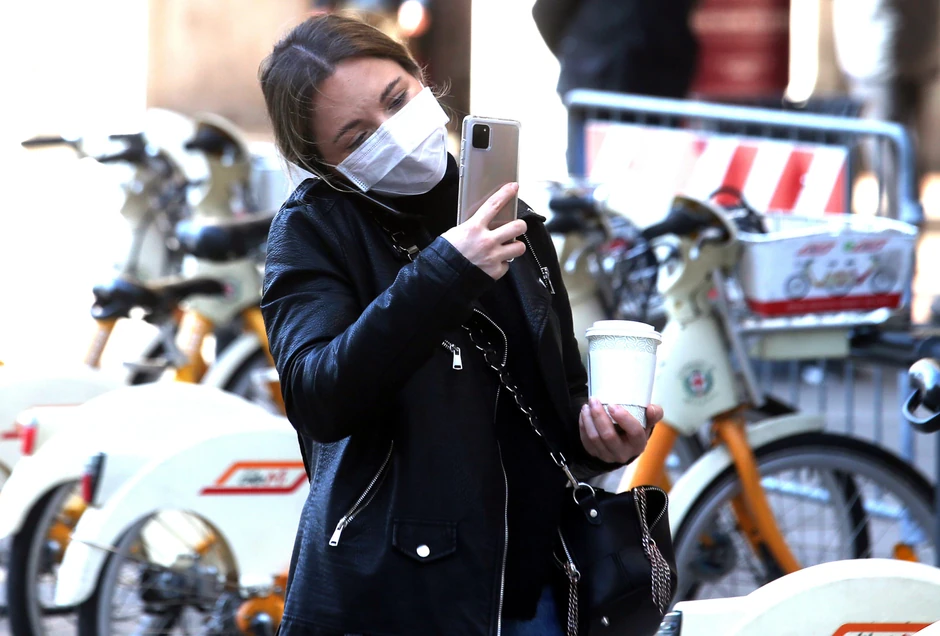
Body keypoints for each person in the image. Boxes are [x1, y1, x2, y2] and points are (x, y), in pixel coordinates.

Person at [258, 13, 663, 636]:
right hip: (401, 596)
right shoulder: (314, 230)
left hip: (535, 585)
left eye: (397, 100)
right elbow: (318, 397)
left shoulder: (512, 217)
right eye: (357, 136)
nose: (391, 134)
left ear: (421, 78)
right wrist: (446, 271)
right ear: (327, 164)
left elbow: (548, 402)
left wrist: (602, 439)